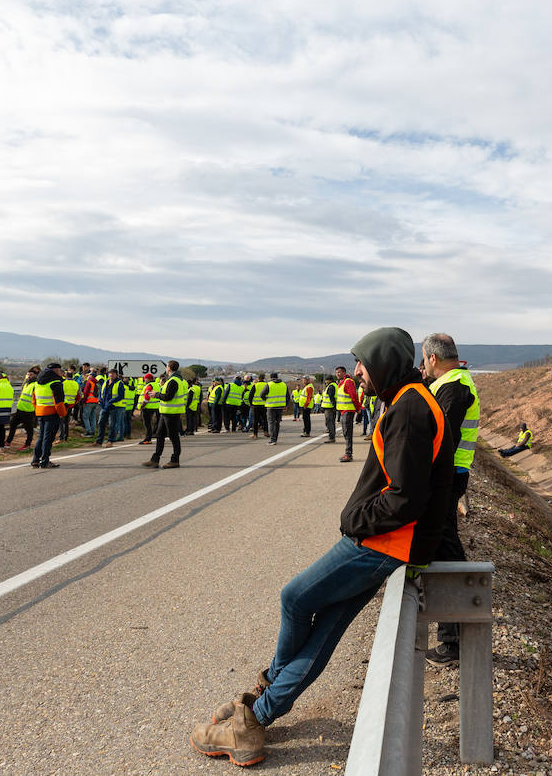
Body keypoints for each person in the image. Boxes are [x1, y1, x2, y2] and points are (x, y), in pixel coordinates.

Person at [189, 327, 452, 767]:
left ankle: (263, 699)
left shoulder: (408, 410)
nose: (358, 373)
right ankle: (258, 715)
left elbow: (406, 498)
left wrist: (355, 522)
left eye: (363, 364)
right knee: (326, 626)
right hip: (393, 543)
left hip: (382, 542)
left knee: (294, 597)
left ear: (383, 362)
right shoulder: (408, 401)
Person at [420, 332, 480, 667]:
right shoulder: (455, 382)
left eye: (423, 360)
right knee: (444, 544)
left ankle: (453, 639)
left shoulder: (454, 388)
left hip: (448, 475)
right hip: (451, 474)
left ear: (431, 358)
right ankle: (454, 633)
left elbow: (444, 438)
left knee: (444, 547)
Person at [142, 361, 186, 469]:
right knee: (159, 435)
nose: (166, 368)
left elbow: (168, 397)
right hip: (166, 412)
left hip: (171, 413)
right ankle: (155, 459)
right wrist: (158, 393)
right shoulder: (173, 379)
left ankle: (175, 460)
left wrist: (156, 394)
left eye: (167, 366)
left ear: (169, 368)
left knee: (173, 436)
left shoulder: (173, 381)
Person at [32, 362, 67, 469]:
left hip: (40, 412)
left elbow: (34, 400)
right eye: (60, 370)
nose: (61, 373)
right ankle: (45, 461)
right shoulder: (56, 383)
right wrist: (62, 414)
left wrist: (38, 410)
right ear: (56, 370)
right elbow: (59, 402)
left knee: (41, 436)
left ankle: (35, 460)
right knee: (48, 438)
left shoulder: (37, 382)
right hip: (52, 413)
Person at [334, 365, 361, 462]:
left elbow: (354, 396)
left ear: (344, 373)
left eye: (339, 372)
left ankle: (348, 454)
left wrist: (358, 409)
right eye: (336, 372)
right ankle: (348, 452)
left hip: (348, 411)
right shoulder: (340, 383)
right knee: (346, 433)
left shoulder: (348, 382)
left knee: (348, 433)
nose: (337, 374)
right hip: (343, 411)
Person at [95, 368, 128, 446]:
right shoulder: (106, 382)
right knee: (101, 423)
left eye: (113, 373)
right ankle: (99, 441)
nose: (111, 375)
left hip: (113, 406)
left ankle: (110, 441)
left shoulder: (119, 383)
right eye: (110, 373)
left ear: (116, 375)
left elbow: (121, 396)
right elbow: (101, 392)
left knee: (112, 424)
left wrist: (111, 401)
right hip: (104, 406)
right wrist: (99, 399)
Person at [263, 372, 287, 444]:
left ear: (271, 378)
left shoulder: (269, 384)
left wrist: (266, 399)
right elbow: (287, 396)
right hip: (280, 407)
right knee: (277, 423)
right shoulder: (283, 384)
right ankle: (275, 439)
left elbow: (262, 394)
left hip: (271, 406)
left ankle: (272, 440)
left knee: (271, 423)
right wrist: (285, 405)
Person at [137, 373, 160, 444]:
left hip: (147, 407)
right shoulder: (157, 385)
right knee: (155, 423)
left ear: (149, 379)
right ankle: (157, 436)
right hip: (156, 406)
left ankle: (148, 439)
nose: (144, 380)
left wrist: (142, 406)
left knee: (147, 424)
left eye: (145, 379)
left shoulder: (149, 386)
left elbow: (147, 397)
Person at [320, 372, 338, 443]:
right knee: (332, 422)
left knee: (329, 422)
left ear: (329, 380)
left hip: (329, 407)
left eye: (326, 380)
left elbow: (331, 397)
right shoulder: (333, 385)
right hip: (331, 407)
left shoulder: (331, 386)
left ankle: (331, 437)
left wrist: (333, 406)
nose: (325, 381)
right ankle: (332, 436)